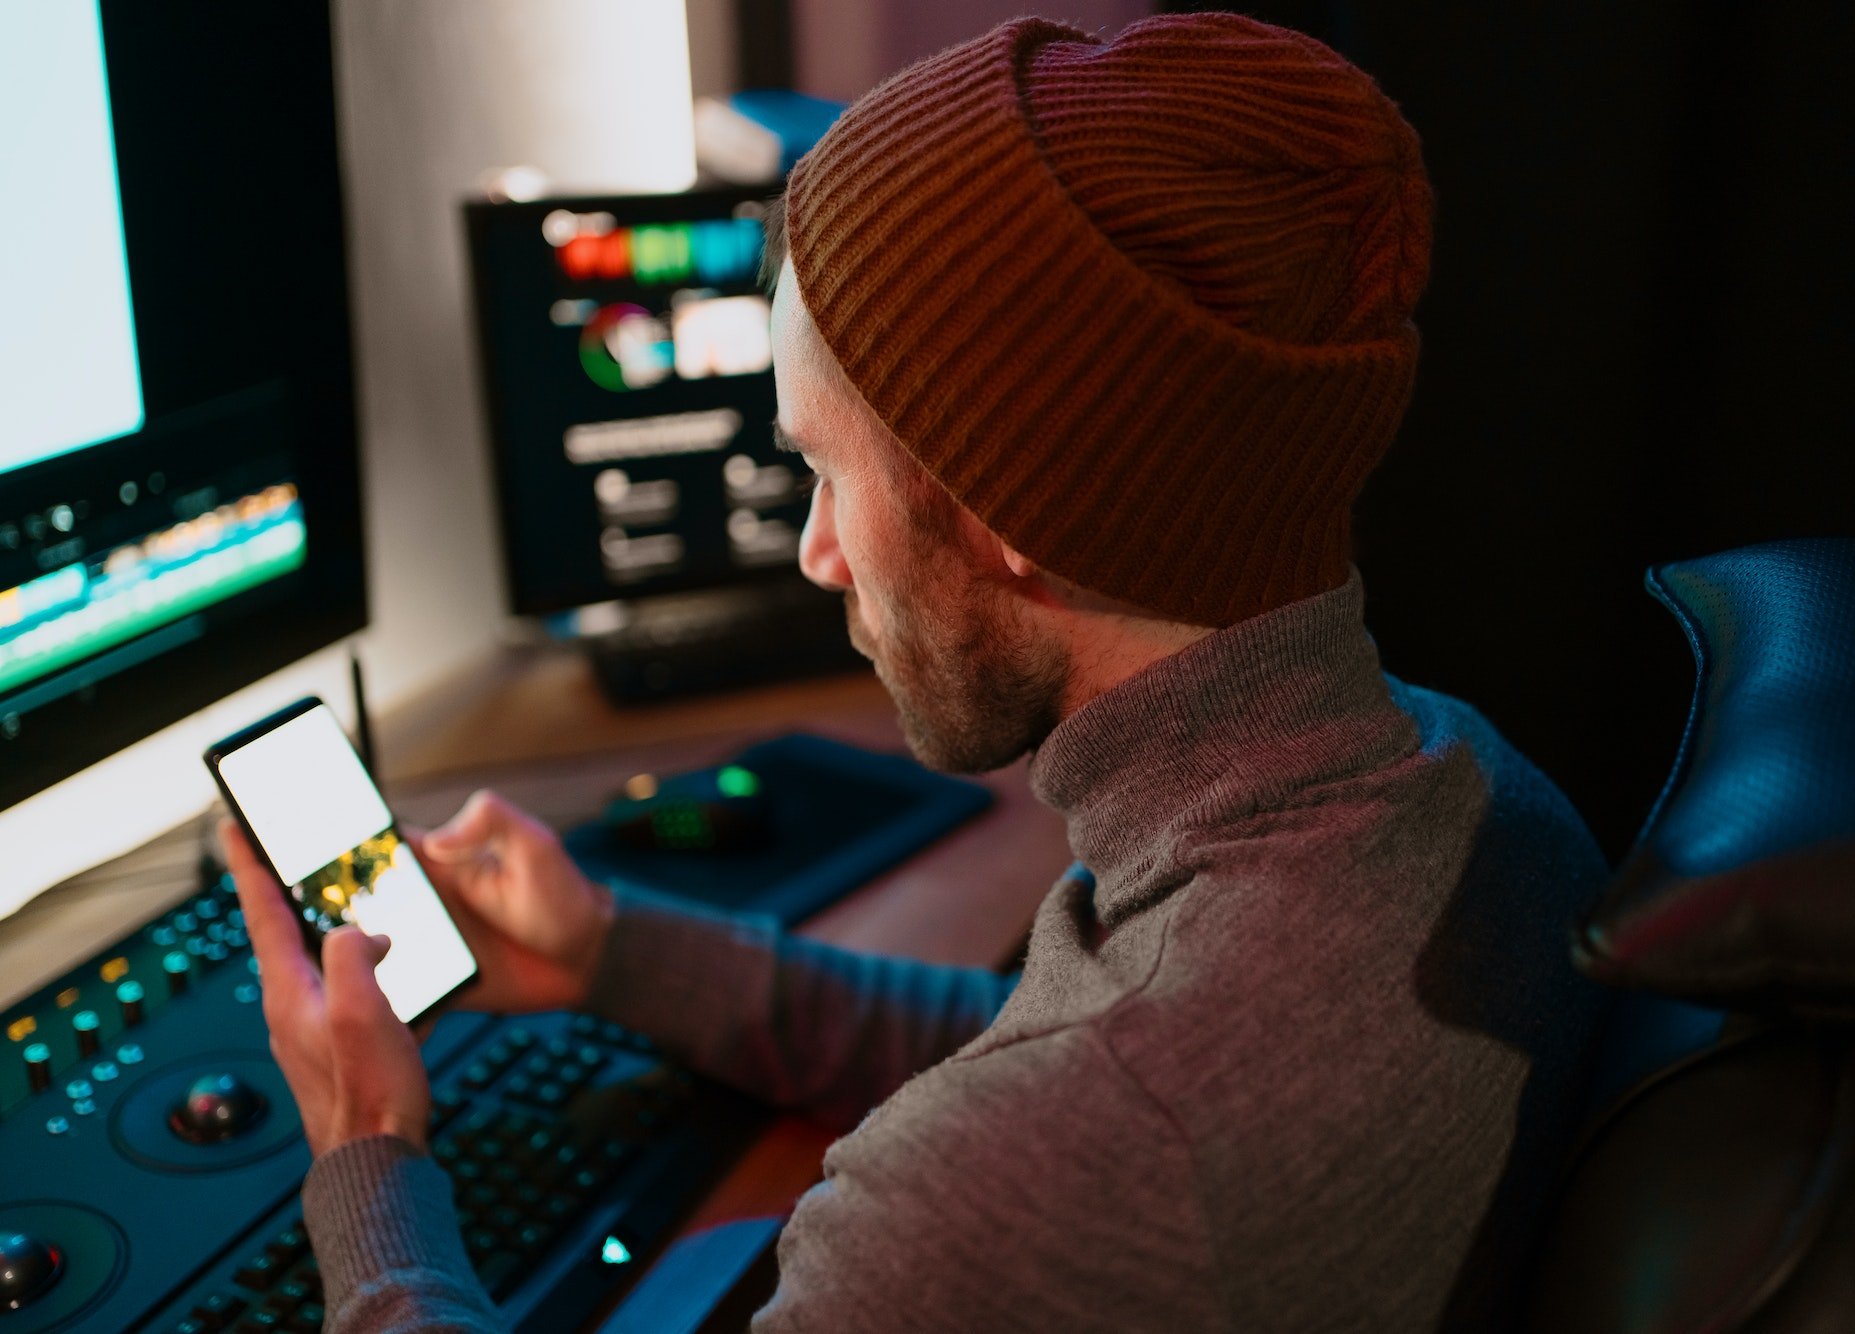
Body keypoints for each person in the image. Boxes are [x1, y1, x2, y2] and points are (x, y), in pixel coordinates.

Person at [225, 13, 1609, 1331]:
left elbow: (1060, 1109)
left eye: (828, 468)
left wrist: (367, 1159)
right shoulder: (1484, 797)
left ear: (1017, 503)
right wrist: (611, 948)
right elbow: (1025, 1034)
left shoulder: (1021, 1181)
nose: (819, 553)